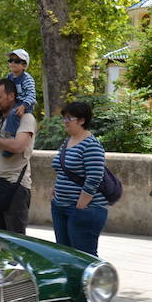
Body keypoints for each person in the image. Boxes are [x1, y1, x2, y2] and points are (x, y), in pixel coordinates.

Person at [50, 101, 109, 256]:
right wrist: (55, 192)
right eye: (64, 118)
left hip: (84, 210)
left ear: (82, 120)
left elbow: (95, 177)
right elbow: (62, 169)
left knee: (83, 258)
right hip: (60, 206)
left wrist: (80, 206)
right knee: (65, 255)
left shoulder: (91, 145)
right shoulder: (67, 142)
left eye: (69, 118)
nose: (65, 122)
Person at [0, 78, 36, 233]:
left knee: (15, 244)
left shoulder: (26, 118)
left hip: (15, 188)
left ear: (11, 96)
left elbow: (18, 145)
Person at [6, 49, 36, 117]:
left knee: (13, 113)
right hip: (13, 103)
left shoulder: (27, 79)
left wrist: (23, 106)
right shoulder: (8, 77)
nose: (12, 63)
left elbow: (31, 95)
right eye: (10, 60)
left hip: (24, 105)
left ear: (24, 65)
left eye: (16, 61)